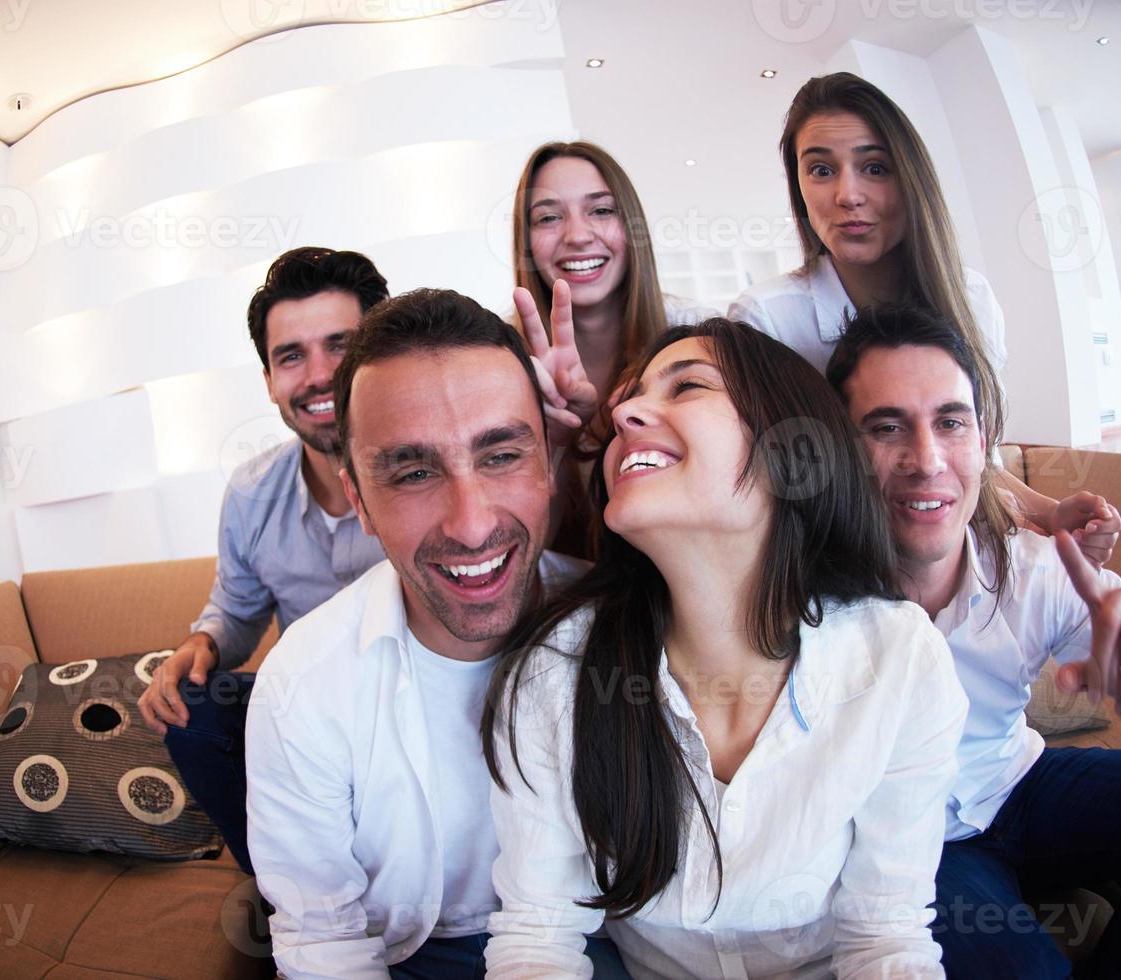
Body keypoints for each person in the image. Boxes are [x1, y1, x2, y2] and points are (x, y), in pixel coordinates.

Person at [482, 318, 968, 978]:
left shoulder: (895, 659)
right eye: (630, 396)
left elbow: (883, 935)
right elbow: (538, 935)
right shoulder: (555, 673)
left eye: (687, 386)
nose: (623, 411)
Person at [827, 303, 1121, 979]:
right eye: (886, 427)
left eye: (950, 422)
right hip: (921, 844)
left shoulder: (1034, 567)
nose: (926, 460)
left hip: (1015, 783)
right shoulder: (810, 597)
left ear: (981, 442)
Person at [244, 289, 628, 979]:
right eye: (414, 472)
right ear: (357, 499)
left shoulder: (623, 634)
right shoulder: (303, 682)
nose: (472, 524)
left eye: (501, 456)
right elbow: (324, 942)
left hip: (599, 936)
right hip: (406, 954)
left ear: (548, 462)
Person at [728, 72, 1121, 566]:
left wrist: (1048, 514)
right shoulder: (767, 319)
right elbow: (766, 492)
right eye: (821, 171)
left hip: (955, 567)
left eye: (874, 167)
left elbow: (970, 463)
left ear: (910, 179)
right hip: (834, 574)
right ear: (799, 189)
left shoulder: (971, 299)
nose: (847, 194)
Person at [136, 246, 389, 871]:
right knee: (190, 709)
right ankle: (285, 884)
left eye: (341, 345)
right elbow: (237, 610)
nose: (319, 374)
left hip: (423, 703)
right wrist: (205, 643)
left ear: (382, 355)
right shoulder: (252, 492)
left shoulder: (434, 467)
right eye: (291, 356)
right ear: (270, 380)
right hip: (309, 714)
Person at [511, 141, 716, 556]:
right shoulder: (505, 360)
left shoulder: (698, 334)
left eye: (601, 210)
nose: (578, 235)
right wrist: (556, 438)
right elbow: (526, 550)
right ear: (526, 242)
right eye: (549, 217)